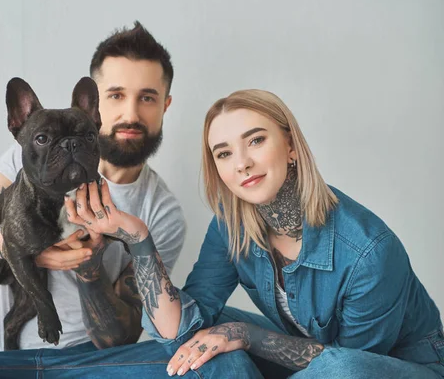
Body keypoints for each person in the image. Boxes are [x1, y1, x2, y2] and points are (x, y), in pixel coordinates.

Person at [0, 22, 251, 379]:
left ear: (165, 104)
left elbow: (120, 338)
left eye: (147, 97)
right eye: (117, 95)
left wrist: (90, 266)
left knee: (224, 365)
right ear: (97, 105)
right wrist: (14, 245)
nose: (131, 113)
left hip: (87, 362)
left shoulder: (160, 212)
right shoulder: (30, 160)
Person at [66, 89, 444, 378]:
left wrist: (247, 335)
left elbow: (347, 363)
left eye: (256, 140)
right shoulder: (231, 224)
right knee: (205, 334)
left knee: (337, 369)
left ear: (291, 146)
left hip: (399, 367)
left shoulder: (369, 252)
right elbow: (181, 330)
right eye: (224, 153)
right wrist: (138, 238)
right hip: (317, 357)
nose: (242, 163)